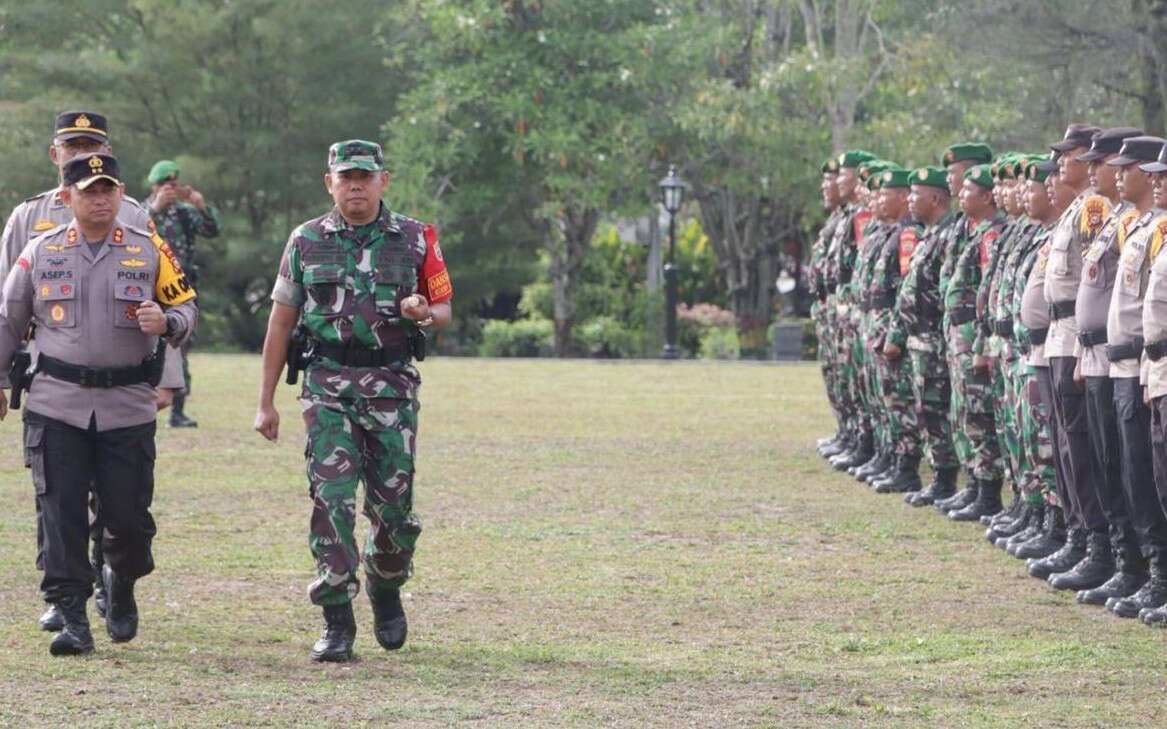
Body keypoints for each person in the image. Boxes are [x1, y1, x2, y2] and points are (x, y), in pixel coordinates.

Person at [253, 140, 453, 662]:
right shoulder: (305, 240)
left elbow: (446, 308)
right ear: (330, 183)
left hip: (391, 387)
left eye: (365, 176)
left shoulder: (416, 238)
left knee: (394, 512)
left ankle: (386, 587)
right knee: (332, 500)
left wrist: (422, 312)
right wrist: (266, 401)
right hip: (326, 386)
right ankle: (337, 619)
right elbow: (280, 321)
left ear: (383, 180)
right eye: (346, 177)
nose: (356, 186)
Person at [0, 153, 198, 655]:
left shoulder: (149, 249)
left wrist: (168, 323)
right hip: (56, 404)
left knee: (127, 517)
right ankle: (71, 616)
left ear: (121, 191)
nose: (100, 198)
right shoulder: (39, 252)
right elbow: (7, 319)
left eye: (108, 188)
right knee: (60, 512)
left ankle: (121, 576)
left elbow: (186, 305)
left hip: (126, 405)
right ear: (67, 198)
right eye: (89, 190)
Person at [887, 165, 961, 506]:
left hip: (934, 338)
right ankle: (937, 477)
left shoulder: (948, 235)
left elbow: (949, 292)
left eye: (915, 194)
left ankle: (946, 480)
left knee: (939, 412)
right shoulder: (927, 234)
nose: (910, 200)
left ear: (935, 197)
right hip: (919, 338)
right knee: (925, 411)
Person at [146, 159, 220, 428]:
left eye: (174, 185)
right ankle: (142, 405)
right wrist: (155, 209)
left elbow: (213, 230)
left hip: (182, 290)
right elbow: (131, 233)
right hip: (149, 291)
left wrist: (201, 206)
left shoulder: (186, 213)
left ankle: (178, 411)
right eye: (165, 184)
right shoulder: (141, 211)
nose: (170, 189)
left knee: (182, 344)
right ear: (154, 186)